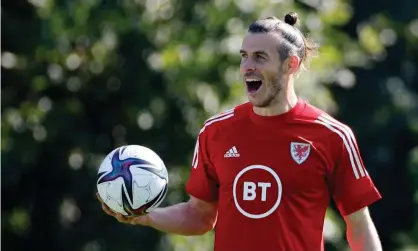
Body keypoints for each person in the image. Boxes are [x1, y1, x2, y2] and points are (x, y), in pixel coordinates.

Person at [98, 12, 383, 251]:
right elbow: (200, 216)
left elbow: (358, 227)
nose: (247, 66)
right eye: (244, 56)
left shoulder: (331, 136)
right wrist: (147, 218)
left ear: (290, 65)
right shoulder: (215, 132)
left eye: (260, 57)